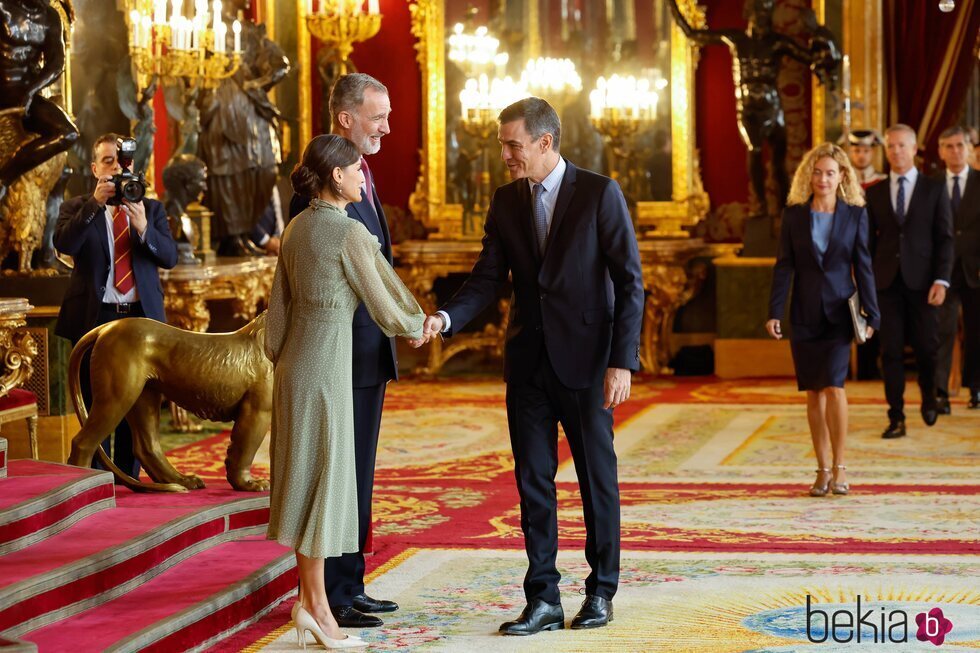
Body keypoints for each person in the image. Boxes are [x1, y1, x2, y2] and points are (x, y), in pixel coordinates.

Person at [422, 97, 644, 635]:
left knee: (597, 479)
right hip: (527, 364)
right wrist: (446, 317)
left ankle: (600, 592)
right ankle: (542, 598)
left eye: (512, 145)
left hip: (589, 362)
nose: (505, 155)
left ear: (545, 143)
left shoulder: (599, 192)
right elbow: (486, 278)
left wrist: (621, 361)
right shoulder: (504, 201)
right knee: (532, 483)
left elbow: (630, 281)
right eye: (503, 145)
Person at [264, 134, 426, 649]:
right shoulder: (349, 234)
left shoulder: (295, 228)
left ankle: (311, 603)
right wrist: (419, 324)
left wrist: (288, 357)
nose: (363, 176)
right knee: (324, 487)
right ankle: (315, 607)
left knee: (305, 483)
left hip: (293, 367)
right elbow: (386, 301)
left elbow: (276, 321)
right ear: (337, 176)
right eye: (358, 169)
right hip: (327, 370)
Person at [288, 73, 402, 629]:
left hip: (367, 354)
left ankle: (350, 584)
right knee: (331, 473)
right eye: (378, 116)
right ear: (345, 119)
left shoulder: (363, 177)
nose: (385, 125)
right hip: (335, 354)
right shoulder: (318, 191)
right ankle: (328, 593)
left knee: (357, 475)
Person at [53, 132, 178, 478]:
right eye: (107, 161)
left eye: (122, 162)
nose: (115, 168)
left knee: (136, 407)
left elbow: (169, 257)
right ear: (95, 168)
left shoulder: (151, 209)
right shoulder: (77, 207)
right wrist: (95, 205)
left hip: (139, 321)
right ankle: (89, 483)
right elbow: (64, 242)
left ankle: (128, 479)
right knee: (96, 408)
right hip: (96, 318)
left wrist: (143, 230)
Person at [767, 143, 879, 496]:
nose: (823, 179)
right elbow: (784, 265)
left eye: (830, 172)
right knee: (813, 392)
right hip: (803, 314)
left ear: (842, 176)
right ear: (808, 176)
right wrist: (774, 311)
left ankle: (840, 466)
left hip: (838, 314)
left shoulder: (855, 215)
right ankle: (821, 468)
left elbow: (863, 265)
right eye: (817, 172)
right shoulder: (794, 215)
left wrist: (871, 311)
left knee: (834, 386)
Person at [865, 124, 954, 438]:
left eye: (902, 145)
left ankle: (929, 396)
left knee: (926, 349)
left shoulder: (933, 189)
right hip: (886, 285)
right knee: (889, 352)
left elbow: (945, 239)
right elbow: (868, 245)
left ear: (914, 149)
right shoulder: (874, 192)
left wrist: (941, 280)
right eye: (891, 146)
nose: (896, 151)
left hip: (924, 283)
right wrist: (867, 286)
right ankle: (896, 416)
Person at [933, 126, 980, 412]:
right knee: (942, 331)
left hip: (976, 270)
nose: (955, 151)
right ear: (940, 151)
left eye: (960, 145)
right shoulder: (931, 184)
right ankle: (940, 391)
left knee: (977, 331)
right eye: (948, 146)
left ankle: (976, 388)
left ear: (970, 148)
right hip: (942, 272)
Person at [251, 186, 285, 255]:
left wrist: (278, 241)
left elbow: (277, 212)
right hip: (253, 247)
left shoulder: (272, 183)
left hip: (273, 249)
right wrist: (266, 241)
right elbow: (244, 214)